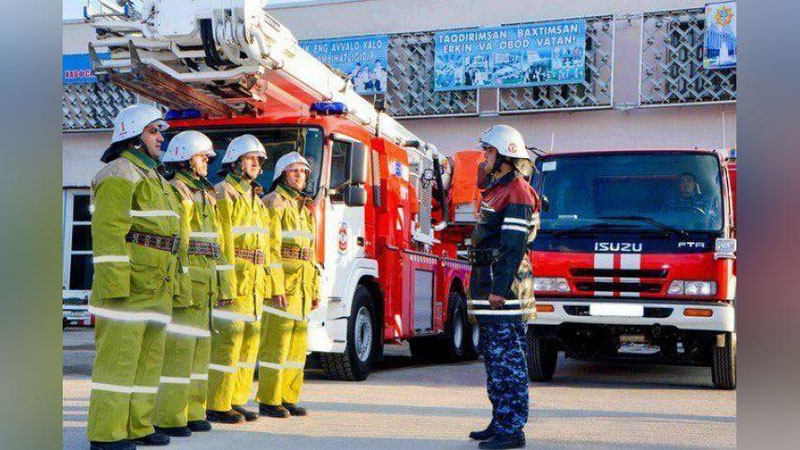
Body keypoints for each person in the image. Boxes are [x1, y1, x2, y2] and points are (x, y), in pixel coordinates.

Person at [87, 104, 186, 450]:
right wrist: (115, 285)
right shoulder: (119, 172)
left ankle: (138, 426)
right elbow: (109, 231)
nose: (162, 137)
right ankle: (106, 435)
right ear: (133, 135)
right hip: (127, 287)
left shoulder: (155, 177)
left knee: (147, 362)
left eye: (161, 130)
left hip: (156, 283)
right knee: (119, 362)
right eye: (154, 130)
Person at [153, 131, 235, 437]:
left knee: (201, 351)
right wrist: (182, 283)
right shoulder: (178, 191)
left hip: (207, 280)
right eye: (203, 158)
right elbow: (180, 243)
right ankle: (170, 417)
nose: (207, 163)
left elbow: (219, 245)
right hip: (189, 281)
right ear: (187, 158)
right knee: (179, 351)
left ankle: (194, 411)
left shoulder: (205, 194)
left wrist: (223, 285)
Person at [467, 125, 540, 449]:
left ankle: (512, 430)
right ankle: (500, 420)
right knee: (495, 361)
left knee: (509, 361)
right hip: (490, 284)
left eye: (488, 152)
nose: (483, 157)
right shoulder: (498, 189)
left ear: (504, 156)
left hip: (504, 290)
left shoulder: (518, 191)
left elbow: (513, 245)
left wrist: (498, 288)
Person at [206, 135, 274, 424]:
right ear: (234, 163)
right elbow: (221, 243)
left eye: (259, 160)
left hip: (255, 281)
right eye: (250, 159)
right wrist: (225, 283)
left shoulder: (256, 198)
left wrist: (270, 282)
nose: (256, 164)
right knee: (227, 344)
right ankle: (217, 404)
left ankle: (236, 400)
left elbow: (267, 246)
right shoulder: (223, 193)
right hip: (235, 277)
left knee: (248, 346)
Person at [257, 152, 320, 418]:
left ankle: (288, 397)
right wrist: (275, 286)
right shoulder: (274, 202)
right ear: (283, 174)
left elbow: (312, 252)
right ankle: (270, 400)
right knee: (276, 344)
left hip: (303, 286)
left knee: (296, 348)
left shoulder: (304, 207)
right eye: (294, 171)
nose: (300, 176)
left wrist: (315, 288)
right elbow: (269, 247)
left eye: (303, 172)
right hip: (283, 285)